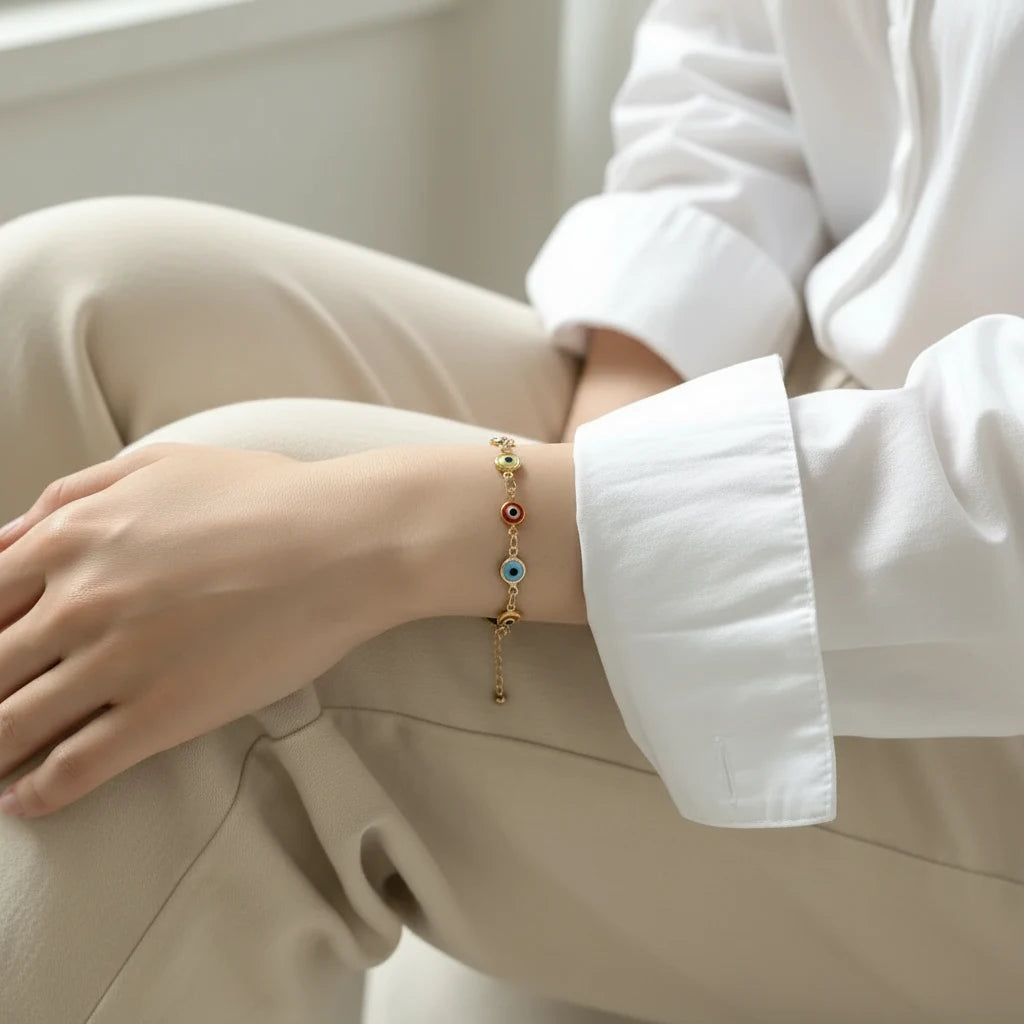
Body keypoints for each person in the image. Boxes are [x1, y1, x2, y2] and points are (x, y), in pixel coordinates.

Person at [1, 0, 1023, 1021]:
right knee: (59, 309)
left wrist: (470, 527)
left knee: (252, 654)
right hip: (825, 404)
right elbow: (735, 68)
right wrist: (606, 465)